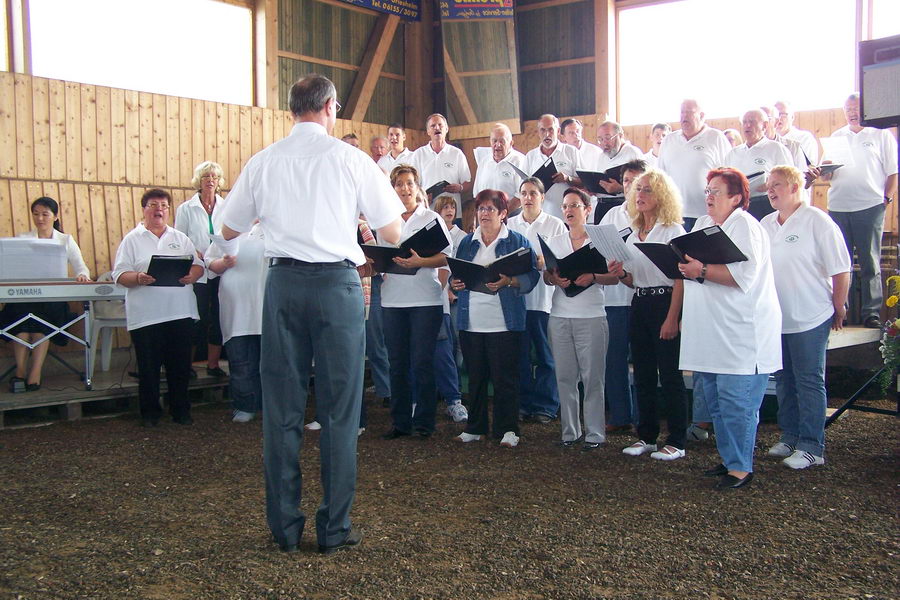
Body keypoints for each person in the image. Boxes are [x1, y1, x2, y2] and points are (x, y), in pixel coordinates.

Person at [219, 75, 403, 554]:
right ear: (329, 107)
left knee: (282, 408)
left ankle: (284, 528)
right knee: (340, 410)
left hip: (282, 283)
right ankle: (333, 529)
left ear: (293, 108)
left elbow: (228, 226)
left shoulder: (263, 161)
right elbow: (394, 232)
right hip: (336, 285)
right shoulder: (351, 159)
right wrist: (354, 223)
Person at [678, 168, 782, 489]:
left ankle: (742, 466)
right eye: (707, 190)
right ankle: (728, 459)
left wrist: (702, 269)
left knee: (737, 401)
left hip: (741, 331)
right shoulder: (703, 224)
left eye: (716, 192)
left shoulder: (746, 227)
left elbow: (744, 277)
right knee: (716, 400)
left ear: (736, 198)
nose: (709, 196)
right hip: (709, 330)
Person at [761, 166, 851, 469]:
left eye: (777, 185)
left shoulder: (817, 221)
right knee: (784, 379)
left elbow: (840, 268)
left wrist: (839, 306)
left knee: (809, 379)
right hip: (778, 316)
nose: (771, 191)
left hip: (811, 315)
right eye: (768, 186)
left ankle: (813, 445)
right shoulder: (766, 223)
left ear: (796, 186)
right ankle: (790, 435)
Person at [450, 189, 540, 448]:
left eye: (491, 209)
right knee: (476, 376)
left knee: (505, 378)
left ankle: (508, 429)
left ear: (503, 214)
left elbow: (532, 277)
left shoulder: (518, 241)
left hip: (505, 321)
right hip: (472, 319)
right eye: (481, 209)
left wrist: (509, 281)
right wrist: (456, 283)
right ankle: (475, 427)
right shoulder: (467, 242)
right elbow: (459, 277)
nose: (484, 214)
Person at [112, 189, 204, 427]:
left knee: (180, 367)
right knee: (149, 368)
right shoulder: (132, 239)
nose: (159, 209)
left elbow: (198, 266)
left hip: (180, 312)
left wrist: (191, 276)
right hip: (147, 317)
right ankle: (151, 413)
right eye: (153, 205)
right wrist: (139, 277)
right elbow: (120, 274)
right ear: (144, 210)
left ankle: (181, 411)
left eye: (163, 205)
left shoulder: (180, 238)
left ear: (168, 210)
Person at [544, 188, 623, 449]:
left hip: (591, 315)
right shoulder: (556, 240)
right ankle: (569, 432)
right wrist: (554, 278)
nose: (569, 211)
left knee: (593, 378)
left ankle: (594, 434)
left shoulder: (600, 240)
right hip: (560, 315)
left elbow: (616, 276)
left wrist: (593, 277)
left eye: (575, 205)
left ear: (588, 210)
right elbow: (547, 275)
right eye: (565, 206)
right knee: (565, 376)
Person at [618, 170, 688, 461]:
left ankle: (677, 439)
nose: (640, 195)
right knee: (643, 373)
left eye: (647, 190)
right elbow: (635, 279)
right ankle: (646, 435)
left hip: (666, 302)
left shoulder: (673, 231)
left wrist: (672, 318)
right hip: (640, 301)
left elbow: (680, 279)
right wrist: (620, 274)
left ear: (661, 196)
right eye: (638, 190)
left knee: (670, 373)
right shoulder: (633, 232)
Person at [378, 165, 452, 439]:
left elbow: (447, 256)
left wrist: (421, 262)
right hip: (392, 299)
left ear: (417, 186)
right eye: (399, 184)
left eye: (409, 183)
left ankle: (424, 423)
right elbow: (376, 257)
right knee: (397, 362)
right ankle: (399, 423)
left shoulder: (430, 218)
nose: (405, 189)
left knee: (422, 361)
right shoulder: (383, 219)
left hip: (425, 298)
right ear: (392, 188)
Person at [819, 93, 898, 328]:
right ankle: (840, 310)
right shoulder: (836, 137)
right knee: (839, 261)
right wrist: (824, 170)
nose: (852, 112)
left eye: (856, 108)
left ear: (866, 109)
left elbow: (893, 171)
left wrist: (886, 198)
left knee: (869, 262)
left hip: (870, 206)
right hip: (839, 206)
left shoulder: (880, 133)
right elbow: (827, 174)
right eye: (847, 108)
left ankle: (870, 313)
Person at [1, 197, 90, 391]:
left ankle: (36, 372)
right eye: (36, 214)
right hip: (26, 296)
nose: (40, 218)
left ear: (55, 216)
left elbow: (81, 268)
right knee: (21, 326)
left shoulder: (65, 240)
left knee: (42, 325)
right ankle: (20, 372)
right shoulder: (23, 239)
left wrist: (82, 276)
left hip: (52, 298)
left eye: (44, 214)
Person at [507, 177, 566, 424]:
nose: (528, 198)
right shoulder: (509, 225)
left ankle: (546, 405)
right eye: (524, 193)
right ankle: (524, 403)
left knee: (546, 356)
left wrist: (544, 261)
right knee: (519, 357)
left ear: (542, 197)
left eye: (533, 193)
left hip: (544, 301)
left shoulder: (555, 225)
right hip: (515, 301)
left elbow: (562, 261)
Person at [597, 160, 647, 432]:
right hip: (615, 298)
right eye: (627, 181)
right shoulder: (612, 215)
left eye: (636, 181)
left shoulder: (655, 214)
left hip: (643, 297)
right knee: (613, 359)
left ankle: (643, 418)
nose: (630, 186)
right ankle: (620, 415)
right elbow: (599, 249)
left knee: (641, 360)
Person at [205, 222, 267, 423]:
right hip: (237, 307)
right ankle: (245, 405)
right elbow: (210, 261)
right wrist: (223, 263)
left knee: (272, 363)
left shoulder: (278, 227)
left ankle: (272, 406)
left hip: (268, 306)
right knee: (241, 360)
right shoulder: (231, 231)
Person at [174, 160, 227, 377]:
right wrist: (197, 254)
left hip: (222, 270)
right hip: (197, 270)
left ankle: (213, 365)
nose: (210, 181)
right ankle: (187, 365)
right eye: (206, 177)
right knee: (197, 318)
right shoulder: (186, 208)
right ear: (199, 181)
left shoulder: (227, 206)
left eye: (214, 177)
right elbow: (180, 239)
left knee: (219, 317)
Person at [658, 99, 731, 231]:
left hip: (707, 216)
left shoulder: (716, 138)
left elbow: (728, 177)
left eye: (689, 112)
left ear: (702, 116)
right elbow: (660, 177)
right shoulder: (669, 140)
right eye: (682, 112)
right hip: (674, 216)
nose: (684, 116)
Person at [432, 194, 468, 423]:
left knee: (448, 350)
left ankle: (454, 399)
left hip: (446, 298)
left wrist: (450, 288)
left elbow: (452, 265)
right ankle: (420, 400)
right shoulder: (429, 228)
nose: (449, 210)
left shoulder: (461, 236)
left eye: (452, 207)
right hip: (416, 299)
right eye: (444, 207)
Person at [724, 109, 792, 218]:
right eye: (745, 122)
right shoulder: (733, 153)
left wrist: (770, 184)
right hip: (738, 206)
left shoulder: (776, 149)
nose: (747, 125)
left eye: (752, 122)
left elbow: (789, 179)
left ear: (764, 126)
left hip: (766, 204)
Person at [524, 114, 581, 221]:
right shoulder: (530, 156)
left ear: (558, 131)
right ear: (538, 132)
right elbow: (523, 187)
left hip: (566, 217)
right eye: (543, 130)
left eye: (551, 130)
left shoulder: (571, 152)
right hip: (539, 218)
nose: (547, 134)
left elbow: (584, 183)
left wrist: (567, 179)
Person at [410, 113, 471, 213]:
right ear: (428, 131)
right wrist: (421, 197)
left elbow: (468, 182)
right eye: (433, 126)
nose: (437, 128)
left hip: (452, 214)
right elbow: (413, 184)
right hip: (428, 212)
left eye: (440, 125)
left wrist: (460, 187)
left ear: (446, 129)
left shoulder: (457, 154)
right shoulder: (418, 154)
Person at [472, 122, 527, 201]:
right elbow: (476, 193)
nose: (498, 145)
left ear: (511, 143)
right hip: (487, 212)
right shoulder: (484, 161)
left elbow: (520, 195)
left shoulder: (520, 161)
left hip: (512, 212)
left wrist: (504, 213)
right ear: (490, 142)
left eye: (502, 141)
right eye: (494, 141)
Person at [590, 121, 644, 196]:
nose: (604, 143)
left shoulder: (633, 153)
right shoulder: (601, 156)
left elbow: (643, 185)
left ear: (620, 136)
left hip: (623, 202)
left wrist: (620, 189)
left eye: (608, 138)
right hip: (602, 202)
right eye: (600, 139)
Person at [774, 100, 819, 165]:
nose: (778, 118)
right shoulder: (768, 140)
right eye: (776, 115)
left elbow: (810, 167)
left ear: (792, 117)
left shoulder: (804, 137)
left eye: (783, 114)